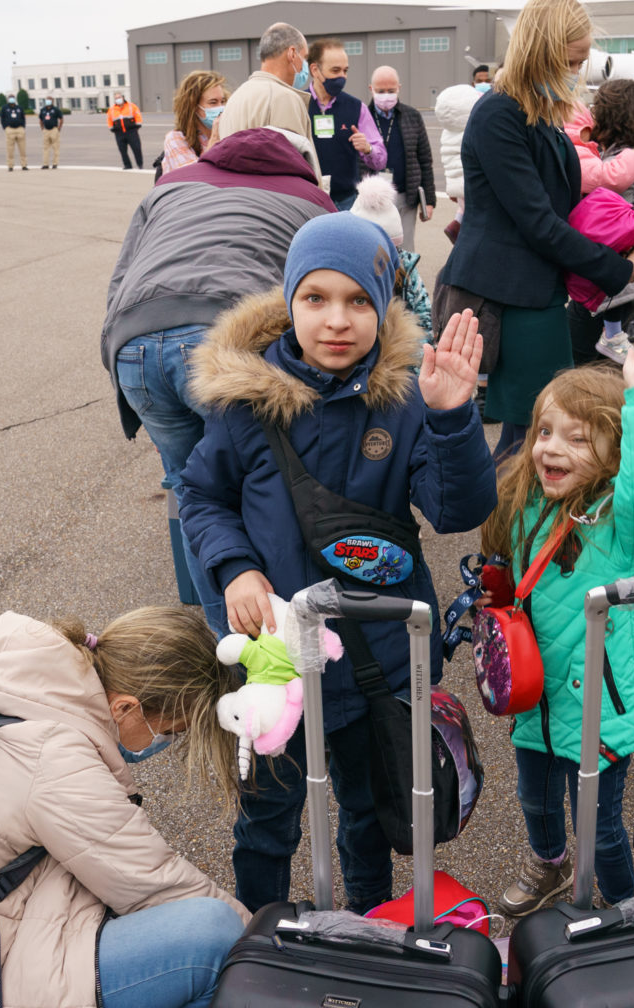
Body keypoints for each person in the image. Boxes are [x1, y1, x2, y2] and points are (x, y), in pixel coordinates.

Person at [178, 214, 497, 913]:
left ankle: (368, 925)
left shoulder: (406, 399)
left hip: (375, 657)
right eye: (315, 297)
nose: (337, 320)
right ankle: (261, 929)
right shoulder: (245, 404)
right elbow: (201, 495)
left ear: (383, 303)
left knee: (368, 815)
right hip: (275, 658)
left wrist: (452, 417)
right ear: (289, 299)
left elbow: (456, 510)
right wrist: (235, 567)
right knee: (268, 816)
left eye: (358, 300)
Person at [0, 606, 250, 1008]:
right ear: (125, 708)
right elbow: (155, 883)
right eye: (169, 731)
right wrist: (269, 941)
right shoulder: (55, 758)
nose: (164, 742)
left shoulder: (32, 693)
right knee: (217, 937)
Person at [482, 357, 634, 913]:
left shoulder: (621, 525)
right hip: (537, 699)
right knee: (534, 799)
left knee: (601, 826)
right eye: (544, 432)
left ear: (616, 453)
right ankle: (550, 863)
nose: (551, 448)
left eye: (577, 438)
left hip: (598, 708)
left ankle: (623, 907)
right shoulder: (527, 506)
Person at [101, 127, 335, 625]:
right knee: (261, 484)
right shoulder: (310, 198)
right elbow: (328, 284)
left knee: (194, 493)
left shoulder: (171, 185)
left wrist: (117, 354)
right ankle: (276, 636)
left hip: (135, 340)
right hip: (223, 340)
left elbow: (120, 279)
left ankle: (222, 639)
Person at [433, 0, 634, 461]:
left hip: (536, 290)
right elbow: (538, 223)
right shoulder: (500, 114)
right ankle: (504, 510)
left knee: (536, 432)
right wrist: (618, 269)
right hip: (511, 295)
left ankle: (512, 509)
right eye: (570, 62)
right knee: (533, 436)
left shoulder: (538, 114)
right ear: (540, 53)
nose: (576, 71)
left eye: (581, 62)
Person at [564, 78, 634, 364]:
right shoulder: (632, 158)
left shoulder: (621, 165)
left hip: (604, 288)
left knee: (576, 363)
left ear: (612, 116)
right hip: (615, 284)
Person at [216, 23, 321, 180]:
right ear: (292, 54)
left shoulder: (236, 97)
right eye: (304, 58)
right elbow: (295, 172)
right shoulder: (283, 98)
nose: (305, 66)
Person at [303, 38, 387, 210]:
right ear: (315, 70)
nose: (342, 76)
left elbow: (381, 160)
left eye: (345, 70)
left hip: (346, 203)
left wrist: (368, 149)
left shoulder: (357, 108)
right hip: (307, 201)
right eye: (335, 70)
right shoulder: (298, 104)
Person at [349, 174, 431, 336]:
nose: (383, 256)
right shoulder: (346, 270)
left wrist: (420, 347)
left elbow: (423, 316)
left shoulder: (406, 266)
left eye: (391, 248)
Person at [366, 66, 435, 251]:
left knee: (405, 249)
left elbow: (425, 160)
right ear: (371, 89)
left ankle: (404, 272)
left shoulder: (412, 116)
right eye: (381, 91)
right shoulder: (363, 116)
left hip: (406, 196)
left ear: (399, 88)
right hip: (373, 199)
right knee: (376, 249)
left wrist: (429, 200)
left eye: (391, 90)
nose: (386, 95)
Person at [434, 83, 484, 245]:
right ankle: (458, 229)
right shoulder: (473, 131)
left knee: (464, 209)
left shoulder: (448, 132)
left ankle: (457, 226)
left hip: (456, 185)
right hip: (472, 185)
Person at [162, 71, 228, 173]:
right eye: (213, 102)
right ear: (194, 107)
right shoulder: (176, 139)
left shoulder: (227, 134)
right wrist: (214, 140)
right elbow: (195, 176)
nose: (220, 108)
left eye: (222, 101)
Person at [108, 91, 145, 170]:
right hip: (119, 133)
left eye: (119, 97)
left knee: (137, 148)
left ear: (123, 97)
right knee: (122, 150)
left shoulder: (132, 106)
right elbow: (109, 119)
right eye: (116, 98)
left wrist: (137, 125)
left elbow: (138, 115)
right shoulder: (112, 109)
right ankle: (127, 165)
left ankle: (140, 164)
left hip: (131, 132)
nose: (118, 99)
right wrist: (111, 128)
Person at [0, 94, 28, 171]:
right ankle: (10, 166)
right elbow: (2, 118)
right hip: (10, 130)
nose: (11, 99)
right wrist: (5, 128)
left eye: (13, 98)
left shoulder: (19, 108)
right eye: (10, 98)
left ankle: (24, 165)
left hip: (19, 129)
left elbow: (23, 118)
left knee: (22, 149)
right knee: (10, 149)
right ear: (8, 99)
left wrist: (23, 127)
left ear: (15, 99)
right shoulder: (5, 108)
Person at [38, 96, 63, 169]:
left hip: (54, 130)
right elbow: (40, 119)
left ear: (52, 101)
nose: (48, 101)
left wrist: (59, 128)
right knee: (45, 148)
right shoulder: (43, 110)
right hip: (46, 130)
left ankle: (55, 163)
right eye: (47, 100)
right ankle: (45, 164)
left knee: (55, 147)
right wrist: (42, 128)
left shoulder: (56, 109)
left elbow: (61, 119)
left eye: (50, 100)